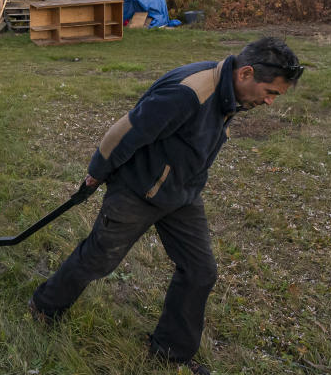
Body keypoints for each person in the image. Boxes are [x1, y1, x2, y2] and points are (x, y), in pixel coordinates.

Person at [28, 37, 302, 374]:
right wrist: (97, 172)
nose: (271, 102)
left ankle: (171, 352)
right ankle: (45, 305)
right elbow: (125, 130)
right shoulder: (189, 92)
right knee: (99, 258)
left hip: (182, 195)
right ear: (246, 73)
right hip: (137, 190)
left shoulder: (229, 93)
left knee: (200, 271)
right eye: (271, 92)